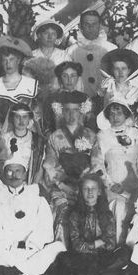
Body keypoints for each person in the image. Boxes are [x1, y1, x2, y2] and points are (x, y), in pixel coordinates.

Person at [0, 151, 66, 275]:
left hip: (32, 250)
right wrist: (10, 246)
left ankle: (14, 271)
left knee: (58, 247)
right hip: (7, 250)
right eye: (10, 171)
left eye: (18, 171)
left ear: (24, 174)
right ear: (4, 173)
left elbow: (45, 228)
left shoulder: (37, 198)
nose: (14, 175)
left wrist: (31, 245)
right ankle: (27, 270)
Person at [43, 91, 98, 245]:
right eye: (67, 110)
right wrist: (64, 186)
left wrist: (85, 183)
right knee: (63, 210)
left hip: (87, 187)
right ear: (61, 112)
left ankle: (88, 251)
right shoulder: (55, 137)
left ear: (81, 112)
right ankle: (61, 251)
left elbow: (97, 162)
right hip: (63, 188)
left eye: (75, 110)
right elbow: (50, 164)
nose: (71, 114)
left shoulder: (91, 135)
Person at [55, 174, 130, 275]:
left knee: (124, 252)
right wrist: (96, 244)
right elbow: (77, 245)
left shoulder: (107, 214)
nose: (90, 192)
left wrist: (89, 246)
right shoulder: (75, 214)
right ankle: (100, 272)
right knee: (63, 258)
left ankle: (92, 272)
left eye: (93, 189)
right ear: (81, 192)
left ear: (99, 192)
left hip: (103, 257)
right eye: (86, 189)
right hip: (82, 257)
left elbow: (111, 244)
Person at [90, 98, 138, 238]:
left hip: (134, 186)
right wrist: (110, 184)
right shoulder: (103, 135)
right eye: (112, 114)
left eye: (119, 113)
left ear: (126, 114)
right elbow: (97, 164)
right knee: (119, 207)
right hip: (113, 186)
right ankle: (119, 248)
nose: (115, 117)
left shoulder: (136, 134)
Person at [0, 35, 38, 129]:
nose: (8, 63)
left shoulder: (31, 85)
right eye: (4, 60)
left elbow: (37, 116)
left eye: (11, 59)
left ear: (18, 60)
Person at [0, 102, 45, 186]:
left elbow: (39, 168)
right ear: (12, 118)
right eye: (17, 117)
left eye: (24, 117)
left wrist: (32, 187)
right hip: (7, 184)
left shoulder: (37, 140)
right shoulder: (4, 138)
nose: (21, 120)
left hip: (29, 184)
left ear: (29, 119)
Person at [97, 48, 138, 129]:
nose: (120, 72)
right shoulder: (105, 90)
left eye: (124, 68)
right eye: (116, 69)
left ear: (129, 70)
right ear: (112, 71)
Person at [67, 10, 115, 98]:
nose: (91, 27)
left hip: (106, 99)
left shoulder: (111, 49)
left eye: (94, 24)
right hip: (81, 100)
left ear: (99, 26)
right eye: (87, 24)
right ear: (80, 26)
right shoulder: (70, 51)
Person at [42, 61, 94, 132]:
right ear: (60, 78)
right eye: (65, 76)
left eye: (73, 76)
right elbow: (46, 125)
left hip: (81, 139)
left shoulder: (85, 98)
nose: (69, 80)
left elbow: (90, 124)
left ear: (78, 77)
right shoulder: (52, 98)